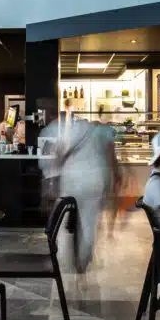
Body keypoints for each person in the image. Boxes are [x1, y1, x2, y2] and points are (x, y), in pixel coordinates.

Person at [42, 115, 119, 271]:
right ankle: (82, 261)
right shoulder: (99, 131)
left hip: (71, 181)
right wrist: (114, 179)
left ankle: (75, 253)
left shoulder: (65, 131)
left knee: (72, 220)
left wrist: (51, 182)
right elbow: (110, 156)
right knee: (89, 221)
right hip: (93, 182)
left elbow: (57, 156)